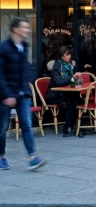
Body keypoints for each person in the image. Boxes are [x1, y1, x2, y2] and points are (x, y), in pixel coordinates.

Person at [0, 17, 47, 171]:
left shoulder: (24, 46)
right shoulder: (4, 47)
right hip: (5, 95)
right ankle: (1, 157)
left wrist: (27, 87)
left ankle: (33, 157)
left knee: (26, 124)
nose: (28, 30)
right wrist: (6, 95)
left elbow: (25, 68)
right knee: (3, 128)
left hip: (22, 93)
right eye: (25, 27)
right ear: (16, 29)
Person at [46, 46, 82, 137]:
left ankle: (72, 125)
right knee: (72, 102)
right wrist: (72, 77)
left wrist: (77, 79)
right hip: (54, 95)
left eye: (70, 54)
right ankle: (67, 128)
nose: (69, 56)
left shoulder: (69, 66)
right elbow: (59, 82)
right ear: (61, 56)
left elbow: (71, 82)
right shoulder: (56, 67)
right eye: (67, 54)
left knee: (80, 101)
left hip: (67, 93)